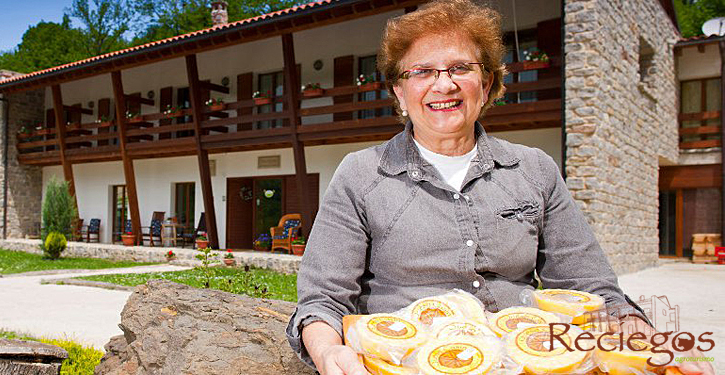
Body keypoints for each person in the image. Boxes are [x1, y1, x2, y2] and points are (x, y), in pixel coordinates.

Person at [285, 1, 713, 374]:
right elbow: (323, 299)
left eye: (460, 68)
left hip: (527, 359)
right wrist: (327, 352)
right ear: (399, 92)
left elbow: (593, 289)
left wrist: (643, 338)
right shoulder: (361, 174)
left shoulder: (534, 169)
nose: (444, 84)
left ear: (486, 84)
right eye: (422, 72)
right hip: (404, 362)